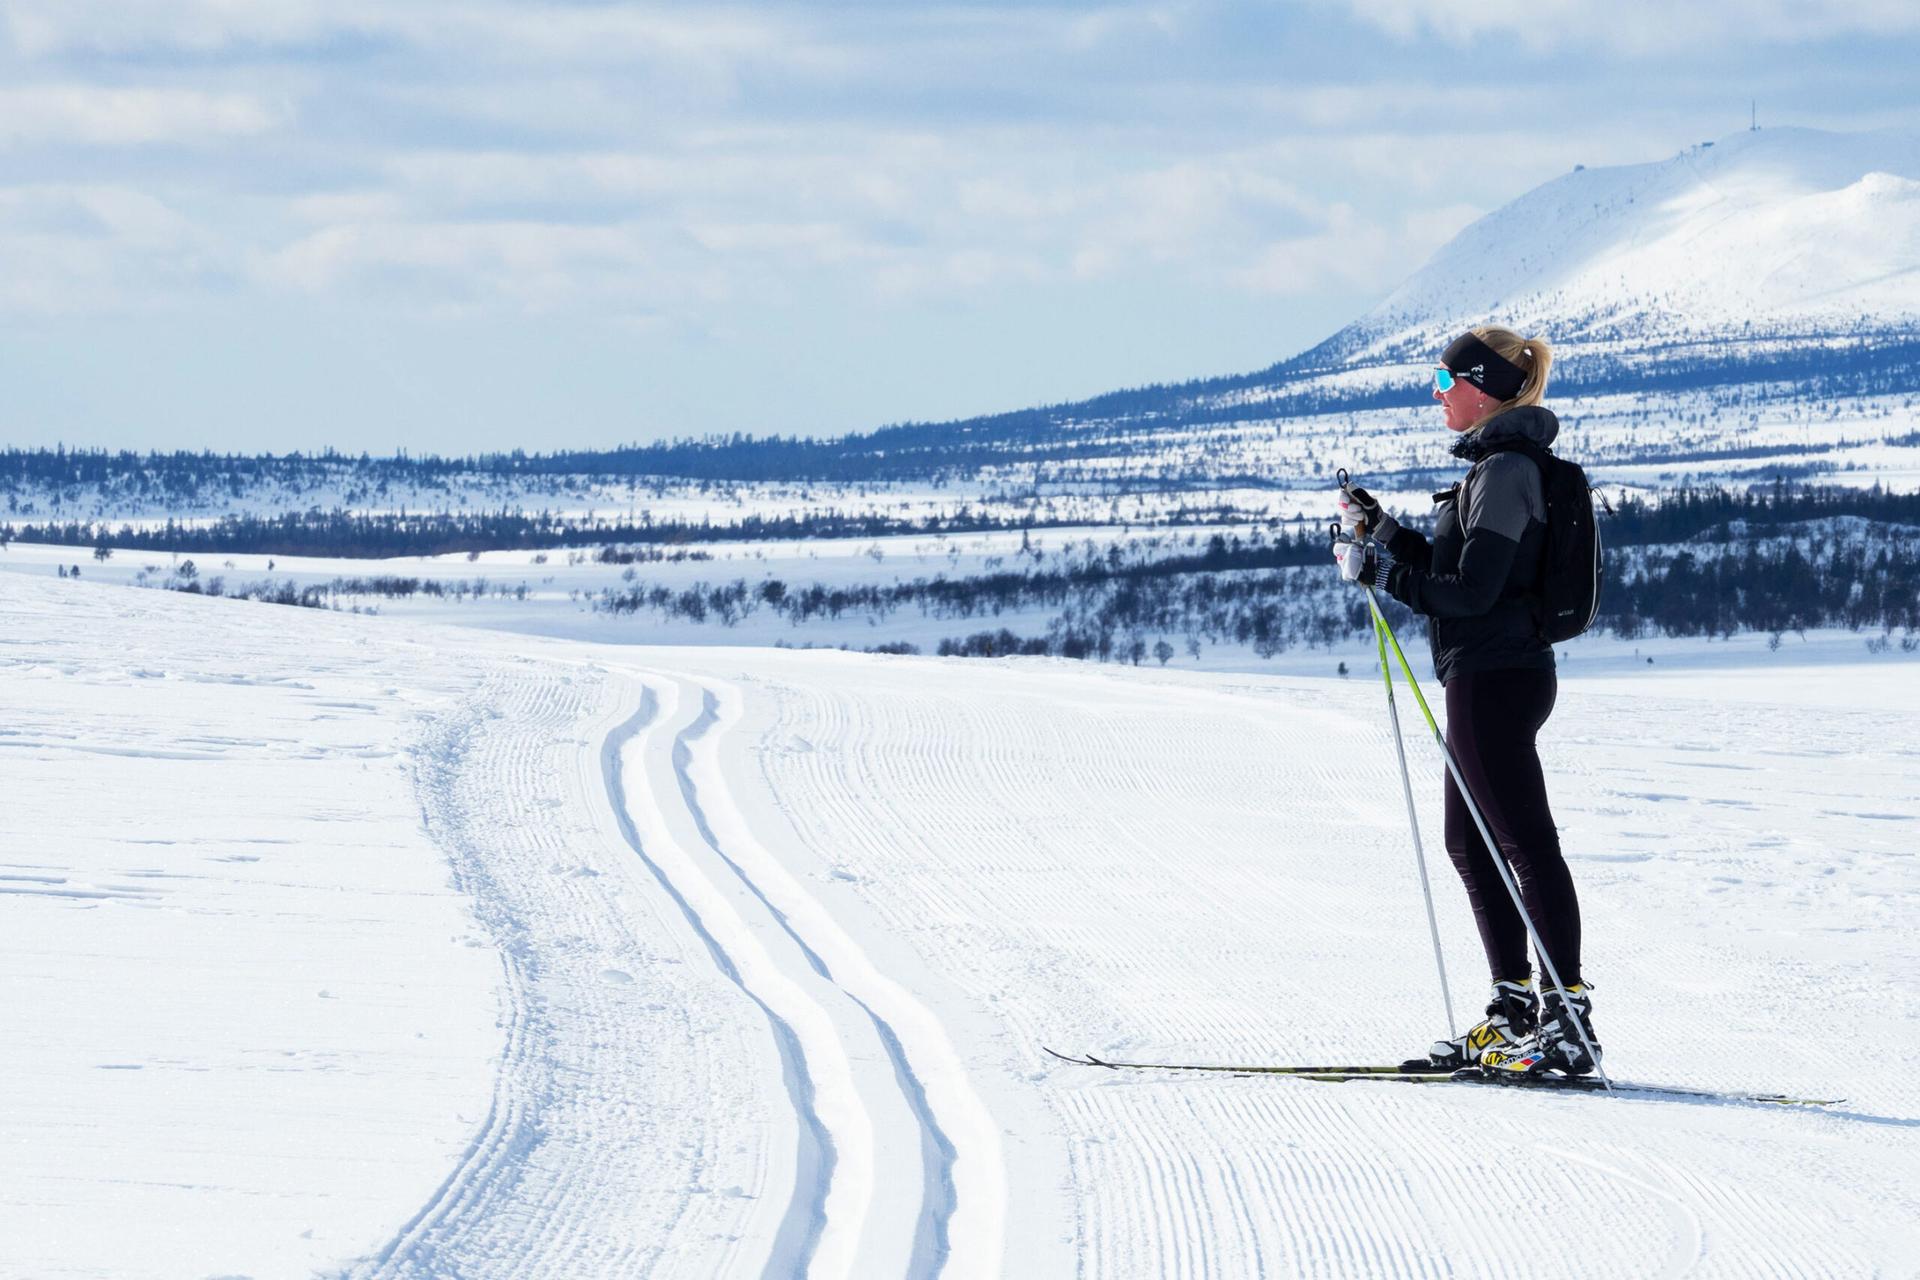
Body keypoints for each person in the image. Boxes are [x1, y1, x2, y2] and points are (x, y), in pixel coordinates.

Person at [1331, 326, 1601, 1077]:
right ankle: (1515, 1007)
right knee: (1471, 843)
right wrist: (1382, 534)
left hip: (1497, 676)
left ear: (1482, 387)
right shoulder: (1495, 468)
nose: (1438, 395)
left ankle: (1567, 1018)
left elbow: (1472, 594)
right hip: (1491, 674)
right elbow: (1463, 568)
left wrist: (1377, 576)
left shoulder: (1507, 469)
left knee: (1522, 843)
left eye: (1447, 382)